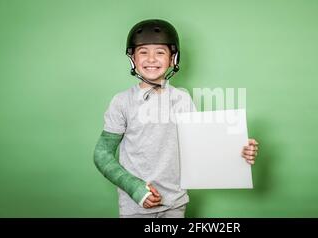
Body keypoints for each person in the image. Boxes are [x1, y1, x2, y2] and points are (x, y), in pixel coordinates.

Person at [93, 19, 259, 218]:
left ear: (173, 59)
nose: (151, 59)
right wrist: (135, 188)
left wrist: (237, 149)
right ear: (133, 59)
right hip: (136, 205)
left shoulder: (183, 98)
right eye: (143, 52)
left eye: (160, 52)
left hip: (175, 203)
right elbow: (102, 154)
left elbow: (201, 147)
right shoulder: (121, 101)